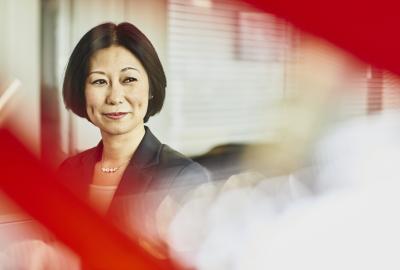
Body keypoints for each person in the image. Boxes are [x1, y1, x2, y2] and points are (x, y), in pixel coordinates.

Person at [57, 22, 210, 254]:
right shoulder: (67, 171)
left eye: (128, 79)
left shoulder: (183, 177)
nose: (115, 97)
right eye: (99, 81)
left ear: (150, 88)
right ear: (81, 91)